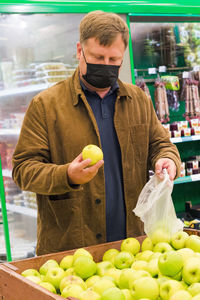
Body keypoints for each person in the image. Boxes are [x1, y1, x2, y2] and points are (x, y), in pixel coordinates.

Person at [12, 11, 181, 256]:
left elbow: (160, 144)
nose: (106, 65)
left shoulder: (138, 100)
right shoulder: (46, 106)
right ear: (79, 51)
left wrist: (167, 158)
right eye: (97, 57)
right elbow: (22, 169)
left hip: (133, 246)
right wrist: (66, 175)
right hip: (71, 251)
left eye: (114, 59)